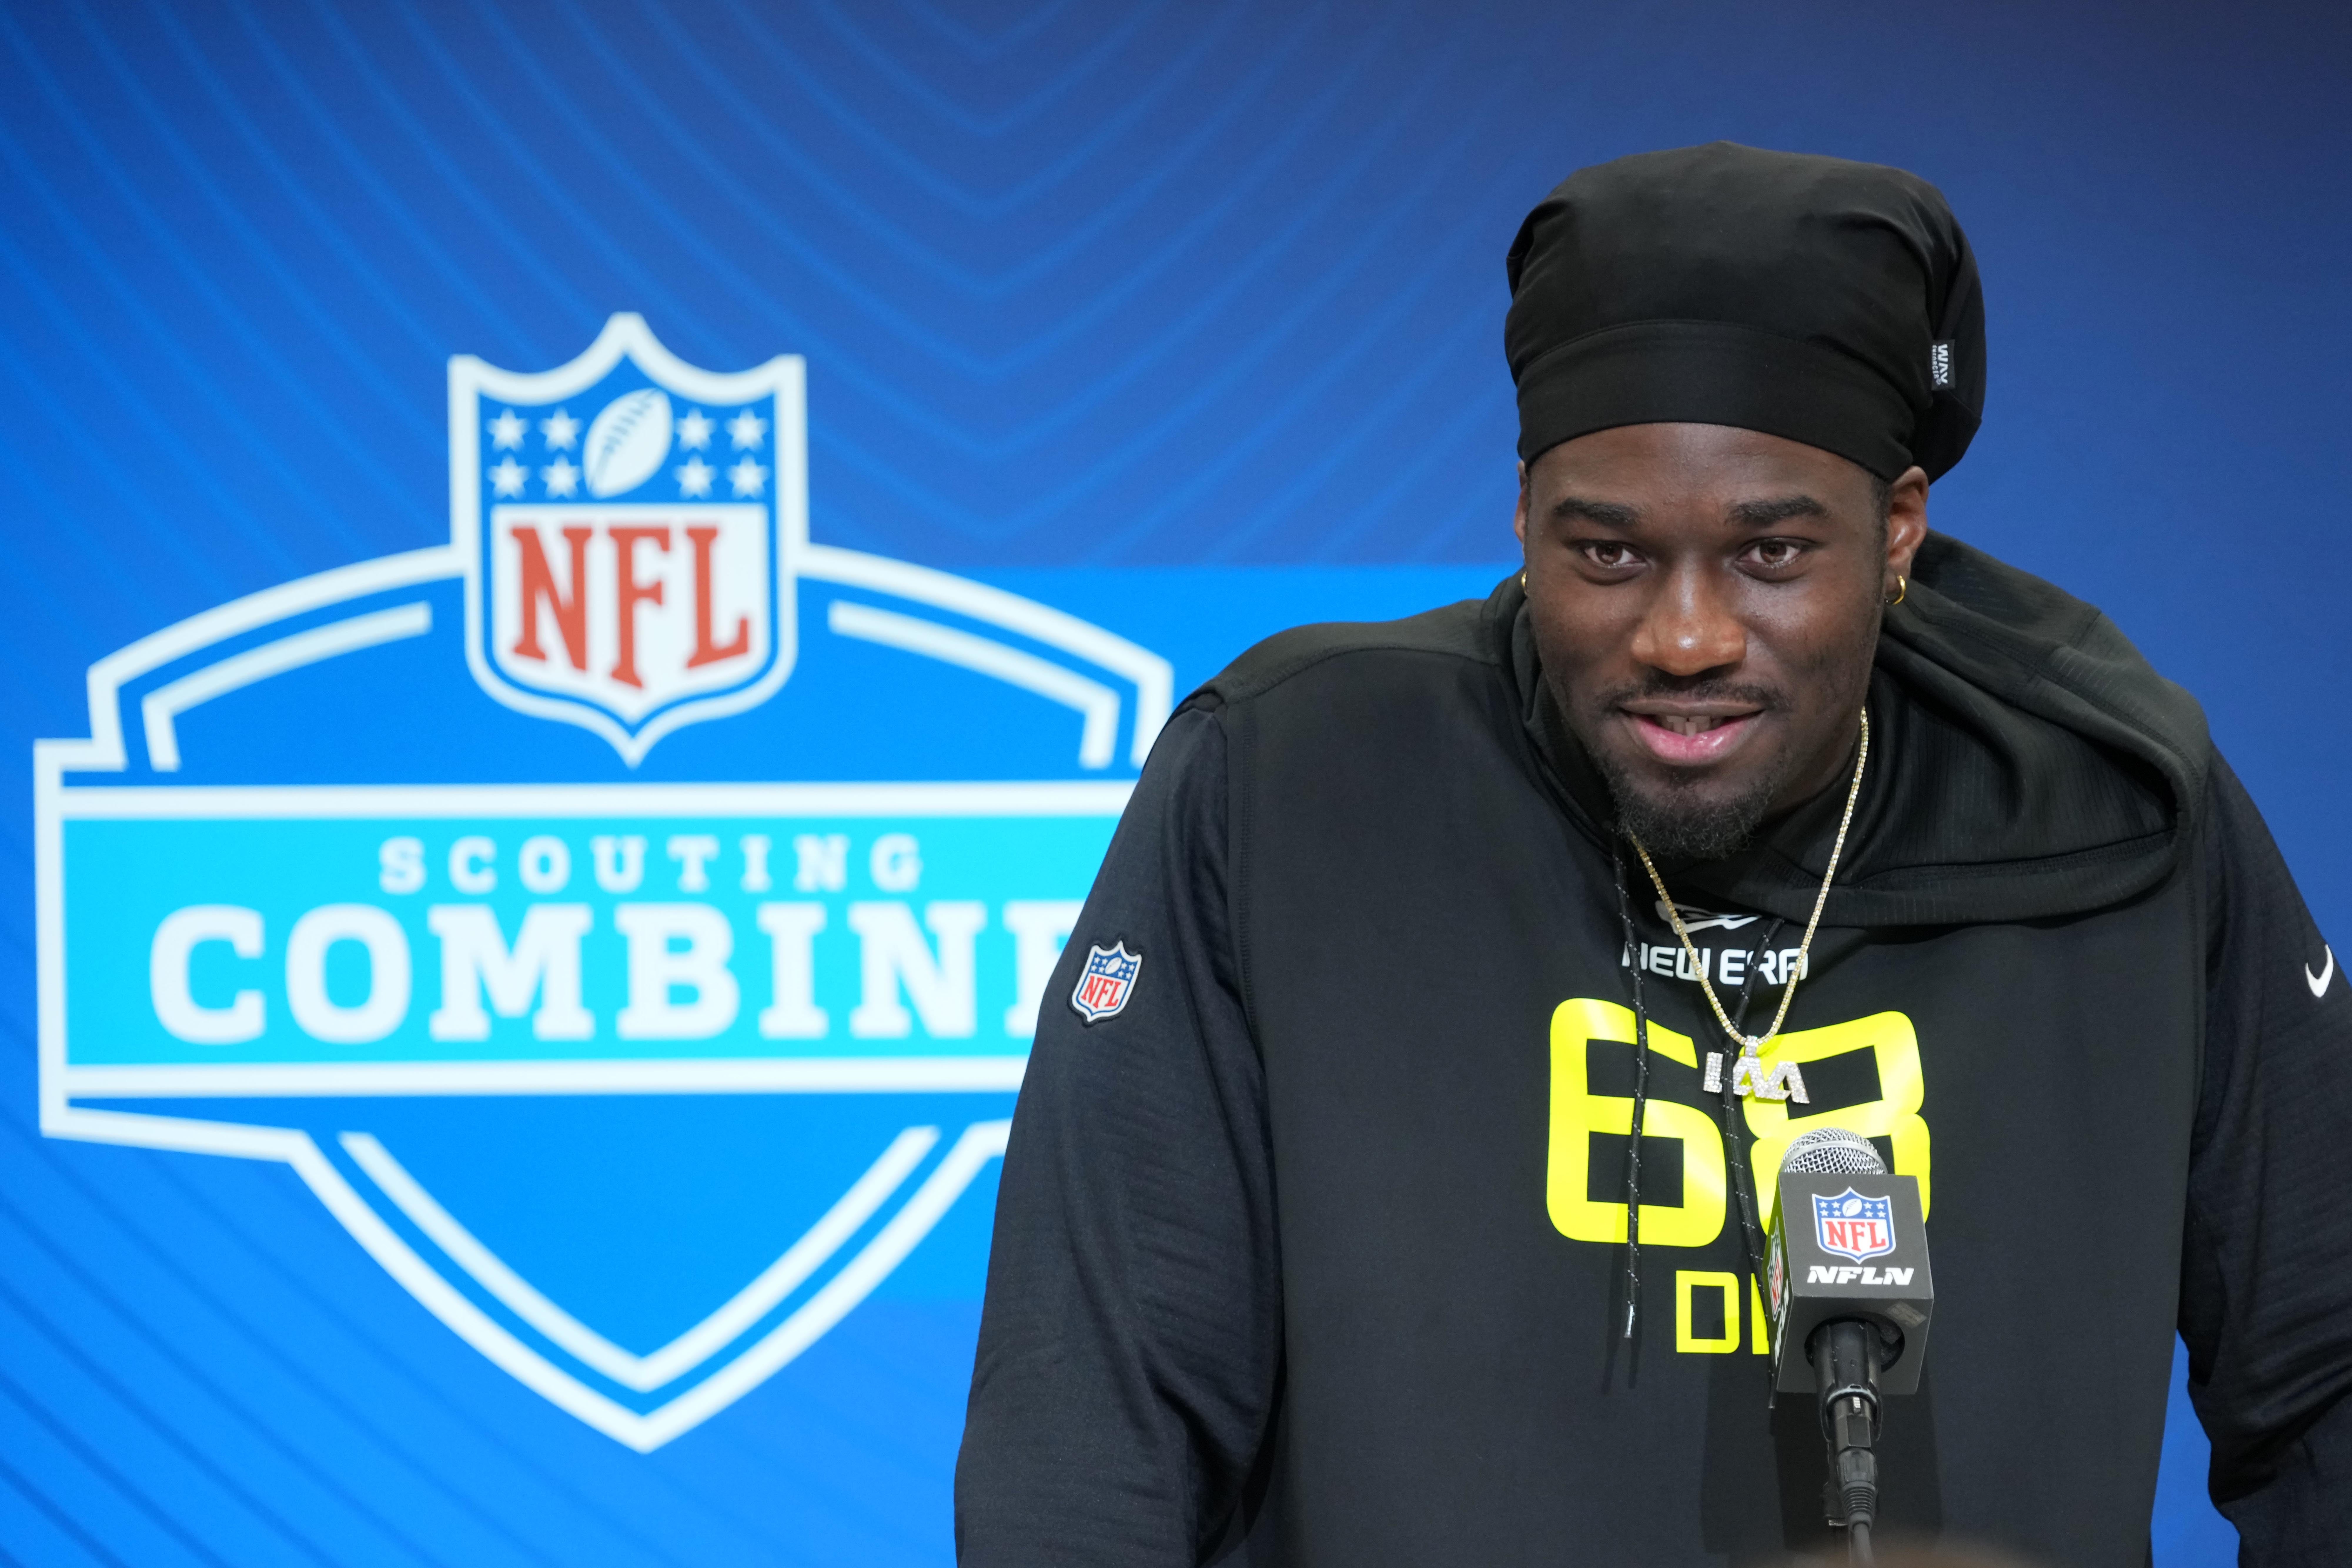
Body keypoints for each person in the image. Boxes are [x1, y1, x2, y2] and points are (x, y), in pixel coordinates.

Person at [954, 143, 2352, 1565]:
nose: (1685, 638)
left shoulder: (2120, 810)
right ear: (1520, 520)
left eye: (1772, 555)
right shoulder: (1294, 780)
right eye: (1609, 555)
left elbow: (2329, 1381)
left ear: (1900, 531)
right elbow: (1090, 1422)